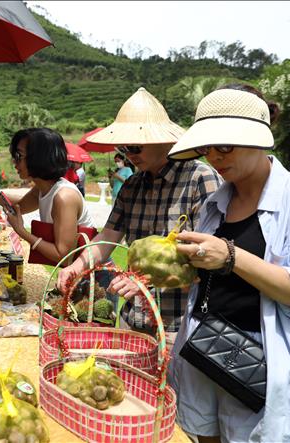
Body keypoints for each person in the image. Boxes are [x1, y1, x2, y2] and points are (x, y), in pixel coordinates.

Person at [167, 85, 290, 442]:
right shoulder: (216, 203)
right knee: (202, 436)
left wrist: (230, 257)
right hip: (204, 348)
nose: (214, 156)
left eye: (225, 145)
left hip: (259, 362)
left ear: (257, 139)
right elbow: (209, 280)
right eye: (206, 147)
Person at [57, 86, 221, 349]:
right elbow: (108, 236)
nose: (128, 154)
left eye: (134, 146)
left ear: (162, 140)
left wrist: (146, 281)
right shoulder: (133, 185)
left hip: (178, 327)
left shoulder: (200, 179)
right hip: (132, 320)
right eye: (123, 147)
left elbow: (212, 257)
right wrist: (78, 266)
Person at [0, 128, 94, 264]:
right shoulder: (43, 189)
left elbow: (62, 255)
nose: (14, 162)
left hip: (95, 276)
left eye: (19, 156)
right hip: (75, 272)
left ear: (39, 157)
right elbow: (17, 206)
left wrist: (22, 231)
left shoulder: (64, 197)